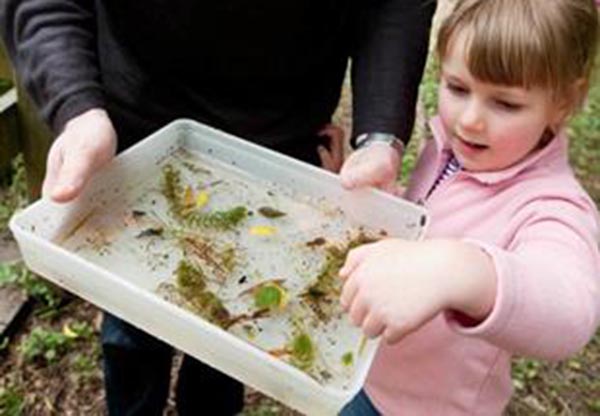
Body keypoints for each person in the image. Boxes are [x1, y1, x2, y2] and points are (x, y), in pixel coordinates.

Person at [0, 0, 436, 414]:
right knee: (131, 329)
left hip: (279, 144)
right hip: (137, 137)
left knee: (230, 345)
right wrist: (77, 108)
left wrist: (381, 134)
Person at [338, 0, 600, 414]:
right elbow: (432, 217)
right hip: (361, 370)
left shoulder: (552, 206)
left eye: (506, 104)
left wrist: (465, 269)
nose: (470, 120)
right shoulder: (451, 151)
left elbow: (571, 311)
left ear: (564, 102)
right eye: (458, 88)